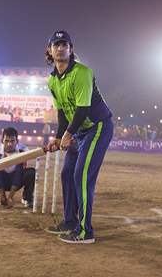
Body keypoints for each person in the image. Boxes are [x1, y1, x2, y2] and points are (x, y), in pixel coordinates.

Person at [44, 30, 113, 244]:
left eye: (65, 44)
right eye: (56, 44)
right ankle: (69, 221)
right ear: (50, 51)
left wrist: (67, 135)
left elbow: (82, 109)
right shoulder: (52, 80)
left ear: (71, 49)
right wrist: (57, 137)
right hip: (79, 131)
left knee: (81, 176)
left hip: (97, 127)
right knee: (67, 174)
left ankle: (85, 231)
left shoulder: (82, 72)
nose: (60, 47)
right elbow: (63, 112)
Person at [0, 127, 36, 208]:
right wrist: (2, 196)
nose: (9, 144)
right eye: (6, 141)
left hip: (16, 179)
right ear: (2, 141)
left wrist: (10, 197)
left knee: (31, 173)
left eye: (12, 141)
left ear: (17, 141)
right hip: (0, 178)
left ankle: (27, 198)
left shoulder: (24, 150)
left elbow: (19, 172)